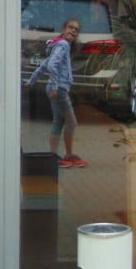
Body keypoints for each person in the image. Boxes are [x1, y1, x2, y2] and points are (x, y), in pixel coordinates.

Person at [26, 18, 88, 168]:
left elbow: (44, 65)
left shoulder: (57, 44)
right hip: (59, 88)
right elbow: (52, 65)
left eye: (76, 30)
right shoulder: (63, 44)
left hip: (56, 87)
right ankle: (68, 155)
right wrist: (54, 86)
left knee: (58, 122)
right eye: (71, 27)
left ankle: (53, 157)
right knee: (71, 122)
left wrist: (31, 81)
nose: (73, 31)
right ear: (64, 29)